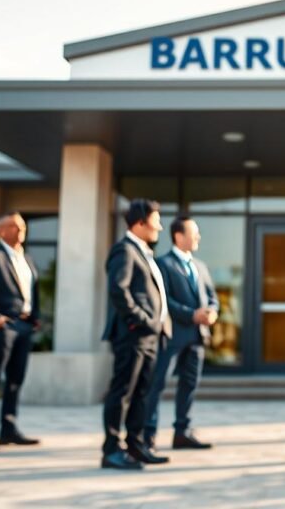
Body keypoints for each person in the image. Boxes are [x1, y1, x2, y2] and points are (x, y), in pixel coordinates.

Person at [100, 199, 172, 470]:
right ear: (140, 223)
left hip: (150, 336)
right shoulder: (124, 250)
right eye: (156, 222)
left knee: (142, 392)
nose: (159, 227)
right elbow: (119, 290)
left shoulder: (143, 251)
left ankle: (135, 445)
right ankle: (111, 450)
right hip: (133, 334)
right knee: (122, 393)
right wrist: (141, 321)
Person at [143, 216, 219, 451]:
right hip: (173, 336)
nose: (198, 237)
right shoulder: (163, 264)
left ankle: (182, 432)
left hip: (197, 338)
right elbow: (165, 301)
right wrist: (191, 314)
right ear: (178, 236)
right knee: (157, 384)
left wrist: (213, 313)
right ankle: (148, 435)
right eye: (193, 233)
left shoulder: (201, 266)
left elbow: (212, 298)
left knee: (189, 385)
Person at [0, 211, 42, 451]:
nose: (21, 230)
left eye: (22, 226)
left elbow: (34, 291)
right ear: (1, 231)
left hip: (24, 325)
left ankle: (8, 429)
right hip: (3, 326)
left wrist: (35, 318)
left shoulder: (27, 259)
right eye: (14, 226)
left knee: (15, 380)